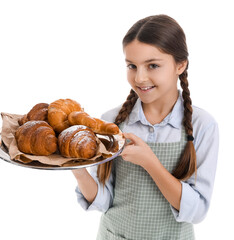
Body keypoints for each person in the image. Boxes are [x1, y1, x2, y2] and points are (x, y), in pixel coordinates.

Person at [72, 14, 219, 239]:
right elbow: (103, 200)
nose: (140, 78)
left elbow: (197, 210)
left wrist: (151, 163)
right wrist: (77, 169)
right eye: (132, 65)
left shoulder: (202, 126)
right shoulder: (111, 122)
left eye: (152, 65)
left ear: (180, 65)